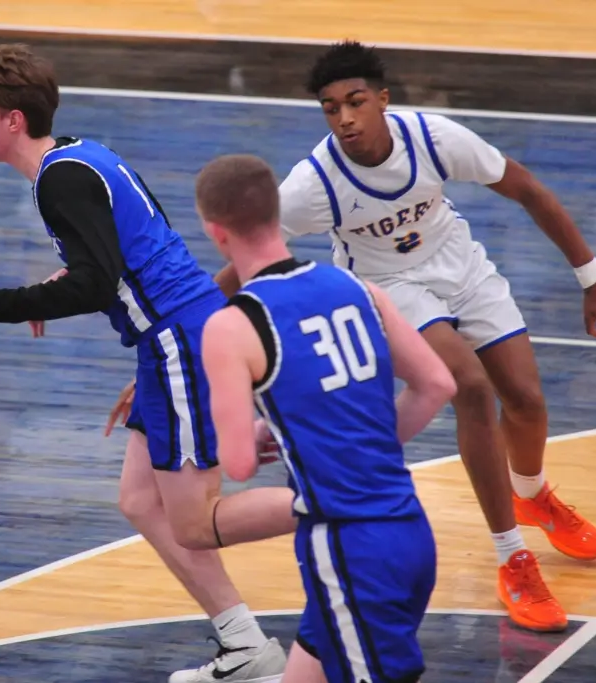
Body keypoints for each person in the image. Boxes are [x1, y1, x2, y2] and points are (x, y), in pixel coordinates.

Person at [207, 40, 596, 632]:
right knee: (470, 388)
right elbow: (242, 260)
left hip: (461, 266)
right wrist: (176, 346)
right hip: (390, 289)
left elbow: (528, 190)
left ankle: (531, 493)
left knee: (526, 400)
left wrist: (595, 279)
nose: (345, 118)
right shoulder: (313, 184)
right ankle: (511, 556)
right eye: (331, 109)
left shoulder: (433, 138)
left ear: (382, 99)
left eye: (356, 102)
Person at [0, 43, 292, 682]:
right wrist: (100, 316)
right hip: (172, 340)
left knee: (196, 522)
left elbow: (96, 283)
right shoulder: (82, 154)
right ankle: (246, 645)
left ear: (12, 120)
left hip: (181, 340)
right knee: (140, 500)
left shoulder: (58, 181)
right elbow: (131, 251)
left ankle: (335, 500)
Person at [196, 153, 457, 682]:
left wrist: (264, 431)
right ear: (276, 214)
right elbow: (437, 384)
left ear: (215, 232)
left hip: (347, 547)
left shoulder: (230, 326)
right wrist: (349, 439)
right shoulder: (358, 288)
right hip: (409, 534)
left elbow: (238, 463)